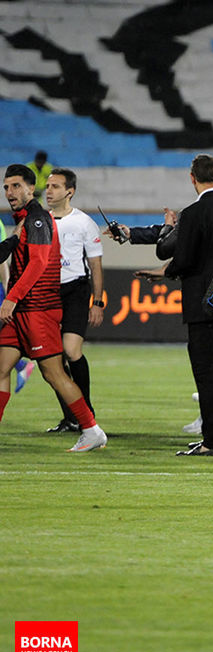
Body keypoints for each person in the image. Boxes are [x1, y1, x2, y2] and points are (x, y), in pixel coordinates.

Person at [0, 164, 106, 452]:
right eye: (7, 186)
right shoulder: (24, 220)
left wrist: (12, 297)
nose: (10, 192)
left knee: (54, 373)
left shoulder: (37, 220)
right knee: (1, 368)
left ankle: (91, 429)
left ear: (30, 189)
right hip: (21, 312)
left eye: (16, 186)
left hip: (37, 309)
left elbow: (39, 263)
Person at [153, 154, 213, 456]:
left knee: (205, 369)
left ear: (192, 178)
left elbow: (182, 258)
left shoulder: (192, 213)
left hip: (201, 301)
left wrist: (167, 272)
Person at [41, 169, 104, 434]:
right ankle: (71, 416)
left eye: (55, 186)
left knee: (71, 350)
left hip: (75, 291)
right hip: (45, 292)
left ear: (70, 191)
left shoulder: (84, 222)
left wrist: (97, 301)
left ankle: (85, 412)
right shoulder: (39, 221)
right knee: (52, 360)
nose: (49, 191)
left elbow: (95, 264)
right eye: (47, 186)